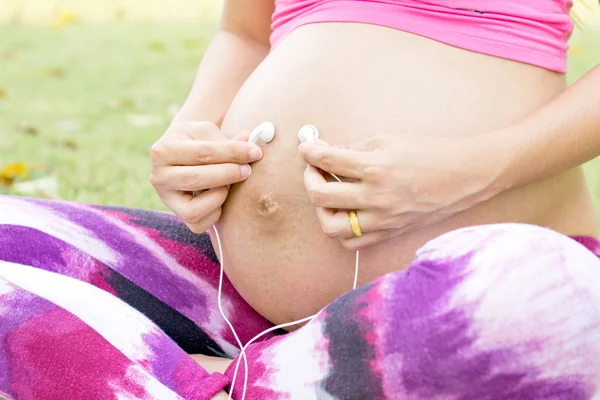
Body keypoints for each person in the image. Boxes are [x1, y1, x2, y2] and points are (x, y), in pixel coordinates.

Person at [2, 1, 600, 399]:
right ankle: (285, 378)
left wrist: (478, 170)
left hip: (469, 295)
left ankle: (168, 376)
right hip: (230, 303)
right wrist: (191, 131)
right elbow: (244, 32)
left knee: (563, 307)